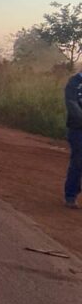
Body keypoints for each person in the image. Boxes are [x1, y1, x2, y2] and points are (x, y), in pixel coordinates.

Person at [64, 72, 82, 209]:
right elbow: (71, 103)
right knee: (78, 161)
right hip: (78, 129)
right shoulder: (74, 83)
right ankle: (70, 195)